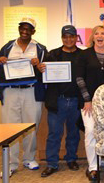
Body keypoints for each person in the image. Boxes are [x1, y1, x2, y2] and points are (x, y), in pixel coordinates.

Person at [0, 17, 47, 177]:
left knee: (31, 125)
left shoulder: (40, 48)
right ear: (19, 29)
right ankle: (11, 162)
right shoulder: (8, 46)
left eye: (28, 29)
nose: (24, 31)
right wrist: (0, 62)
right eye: (22, 28)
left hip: (31, 91)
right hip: (11, 91)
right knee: (10, 127)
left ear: (33, 31)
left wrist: (38, 66)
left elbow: (45, 70)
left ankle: (29, 158)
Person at [39, 25, 82, 177]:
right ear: (62, 38)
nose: (68, 39)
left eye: (71, 36)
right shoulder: (52, 54)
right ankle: (52, 163)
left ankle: (71, 159)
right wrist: (41, 69)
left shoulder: (82, 55)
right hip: (57, 101)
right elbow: (42, 76)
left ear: (76, 37)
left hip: (76, 101)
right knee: (54, 134)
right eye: (65, 36)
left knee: (74, 133)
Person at [76, 25, 104, 181]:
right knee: (91, 131)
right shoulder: (84, 55)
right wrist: (87, 99)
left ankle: (101, 160)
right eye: (97, 33)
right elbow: (79, 78)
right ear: (92, 37)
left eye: (103, 34)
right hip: (88, 103)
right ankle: (93, 167)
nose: (100, 36)